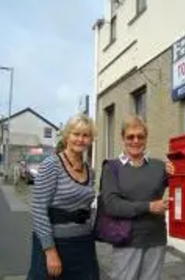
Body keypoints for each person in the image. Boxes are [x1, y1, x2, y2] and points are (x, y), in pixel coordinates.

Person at [27, 113, 99, 280]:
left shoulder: (90, 171)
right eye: (76, 134)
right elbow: (38, 210)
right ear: (67, 136)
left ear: (90, 140)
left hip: (84, 244)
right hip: (56, 245)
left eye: (86, 135)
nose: (80, 139)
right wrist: (50, 251)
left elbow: (88, 206)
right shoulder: (51, 165)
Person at [101, 115, 171, 280]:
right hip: (126, 240)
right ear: (122, 138)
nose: (135, 141)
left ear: (146, 138)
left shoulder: (159, 166)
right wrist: (149, 207)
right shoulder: (112, 167)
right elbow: (112, 205)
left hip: (156, 239)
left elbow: (184, 184)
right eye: (130, 137)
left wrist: (179, 168)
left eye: (140, 136)